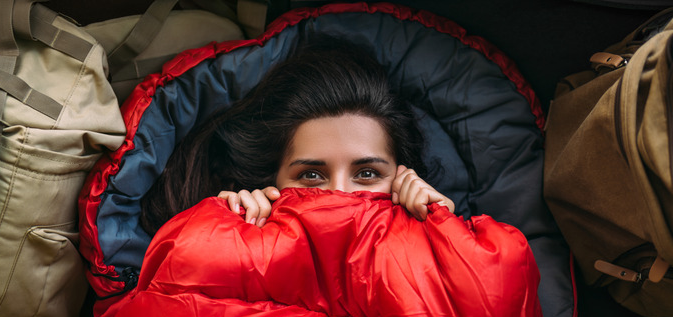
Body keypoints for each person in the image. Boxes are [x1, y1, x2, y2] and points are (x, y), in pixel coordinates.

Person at [140, 37, 453, 234]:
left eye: (368, 173)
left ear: (404, 178)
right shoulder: (232, 239)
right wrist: (216, 237)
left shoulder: (441, 241)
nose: (340, 196)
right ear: (272, 184)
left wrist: (447, 238)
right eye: (312, 175)